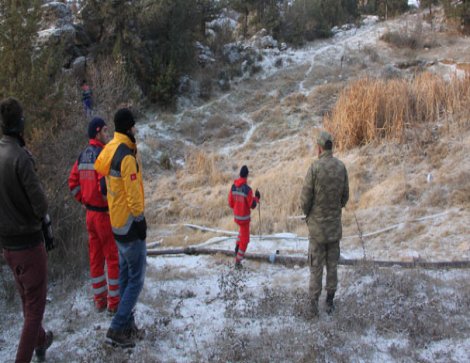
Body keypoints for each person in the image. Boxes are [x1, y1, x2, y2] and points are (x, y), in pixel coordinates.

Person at [0, 98, 54, 362]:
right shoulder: (20, 158)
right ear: (20, 123)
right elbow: (40, 203)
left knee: (27, 301)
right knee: (34, 310)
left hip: (7, 246)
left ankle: (41, 341)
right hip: (28, 244)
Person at [94, 108, 147, 348]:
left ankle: (127, 326)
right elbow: (133, 193)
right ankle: (116, 328)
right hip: (128, 226)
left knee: (125, 275)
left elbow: (99, 168)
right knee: (137, 278)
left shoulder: (110, 148)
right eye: (133, 126)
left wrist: (107, 190)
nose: (135, 129)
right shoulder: (126, 156)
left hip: (115, 223)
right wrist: (140, 220)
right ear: (128, 128)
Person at [68, 117, 120, 314]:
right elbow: (104, 187)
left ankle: (100, 300)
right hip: (103, 215)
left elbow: (72, 184)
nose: (107, 135)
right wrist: (110, 205)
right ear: (97, 132)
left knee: (95, 258)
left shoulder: (82, 156)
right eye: (105, 131)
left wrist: (85, 200)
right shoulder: (102, 154)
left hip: (89, 215)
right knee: (112, 257)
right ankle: (114, 303)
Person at [300, 130, 349, 317]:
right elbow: (345, 196)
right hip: (334, 227)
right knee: (332, 265)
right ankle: (330, 302)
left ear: (319, 148)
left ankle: (313, 305)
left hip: (317, 229)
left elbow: (305, 199)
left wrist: (310, 214)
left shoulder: (314, 168)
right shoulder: (341, 167)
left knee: (316, 266)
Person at [228, 165, 260, 268]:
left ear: (240, 174)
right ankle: (238, 261)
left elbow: (230, 203)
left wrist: (238, 206)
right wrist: (257, 198)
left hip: (237, 217)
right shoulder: (248, 190)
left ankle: (237, 248)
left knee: (241, 232)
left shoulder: (233, 187)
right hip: (244, 219)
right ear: (247, 175)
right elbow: (252, 205)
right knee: (245, 241)